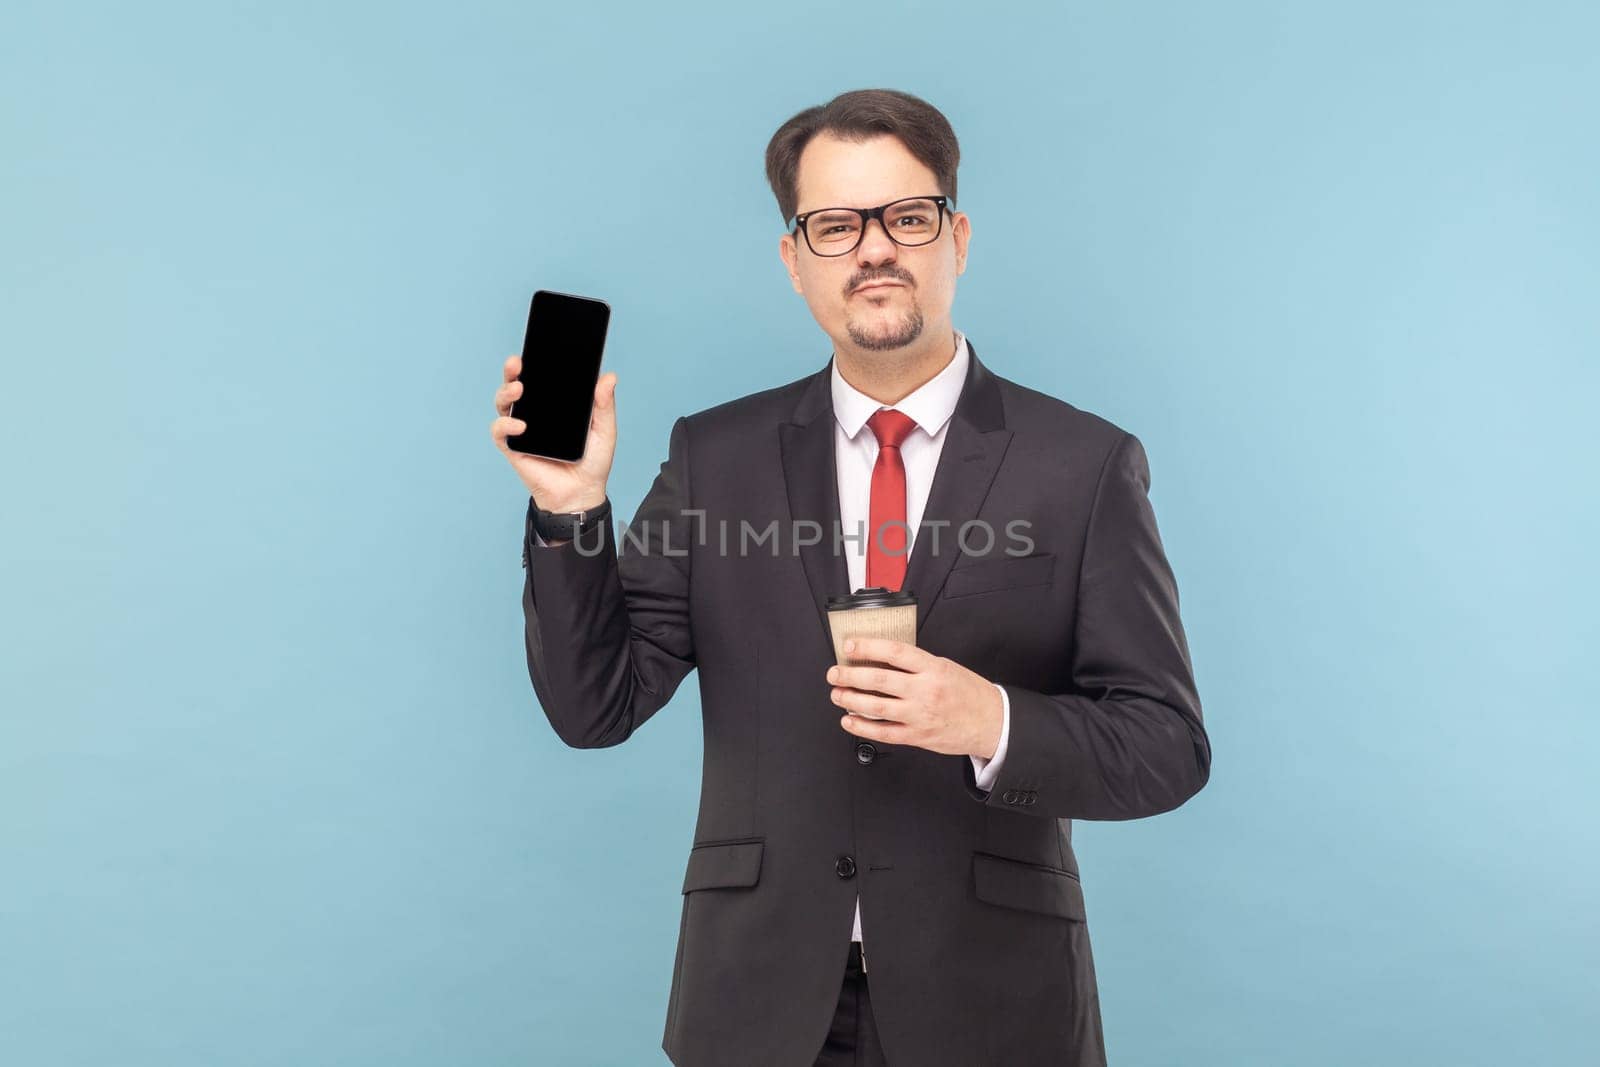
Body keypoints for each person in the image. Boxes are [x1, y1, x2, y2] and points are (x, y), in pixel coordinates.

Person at [490, 88, 1211, 1067]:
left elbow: (1166, 744)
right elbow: (593, 707)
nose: (873, 248)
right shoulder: (716, 456)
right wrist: (571, 508)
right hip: (755, 1004)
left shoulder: (1082, 464)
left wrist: (990, 720)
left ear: (955, 237)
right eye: (834, 224)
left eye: (905, 217)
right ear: (794, 261)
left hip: (995, 1005)